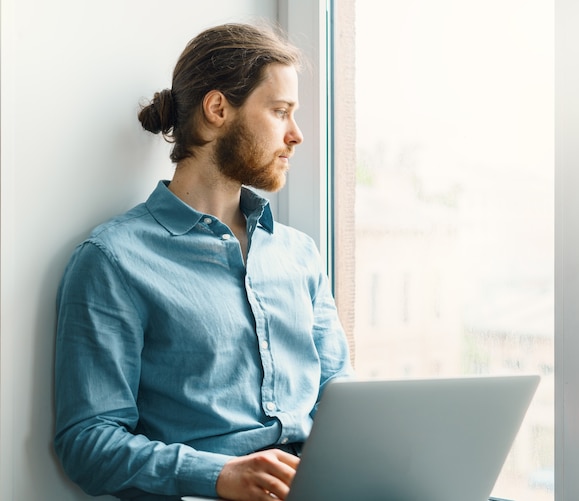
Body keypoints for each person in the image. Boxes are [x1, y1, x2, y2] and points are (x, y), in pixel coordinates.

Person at [54, 22, 354, 501]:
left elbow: (341, 400)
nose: (296, 135)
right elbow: (88, 442)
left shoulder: (299, 255)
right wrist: (219, 475)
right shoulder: (113, 260)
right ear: (218, 109)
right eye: (280, 112)